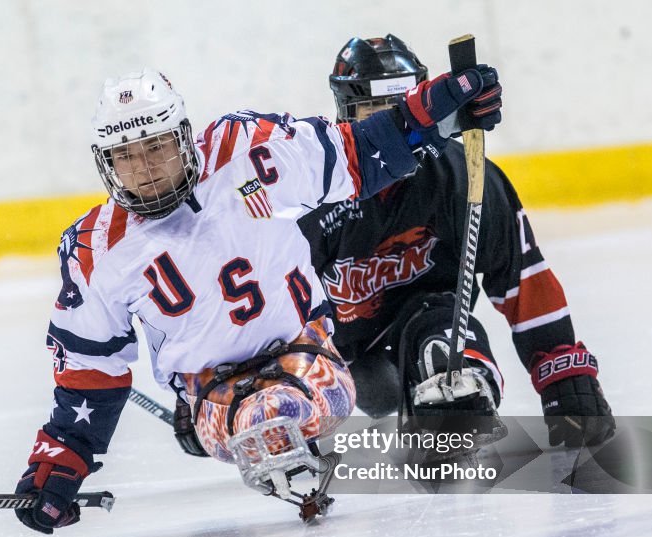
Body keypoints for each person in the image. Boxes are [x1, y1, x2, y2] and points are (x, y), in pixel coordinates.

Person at [16, 63, 503, 534]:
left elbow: (354, 154)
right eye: (126, 155)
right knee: (262, 419)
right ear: (107, 162)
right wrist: (62, 457)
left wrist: (435, 114)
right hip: (211, 389)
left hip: (305, 350)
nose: (143, 169)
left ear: (183, 136)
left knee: (278, 411)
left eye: (156, 146)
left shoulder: (246, 149)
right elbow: (90, 370)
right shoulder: (95, 250)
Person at [178, 34, 613, 456]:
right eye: (374, 110)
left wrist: (561, 370)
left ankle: (449, 408)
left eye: (400, 106)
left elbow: (520, 273)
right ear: (346, 114)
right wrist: (205, 382)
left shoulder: (462, 177)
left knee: (440, 340)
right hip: (332, 351)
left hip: (430, 321)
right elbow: (250, 301)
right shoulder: (309, 197)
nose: (391, 121)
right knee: (316, 400)